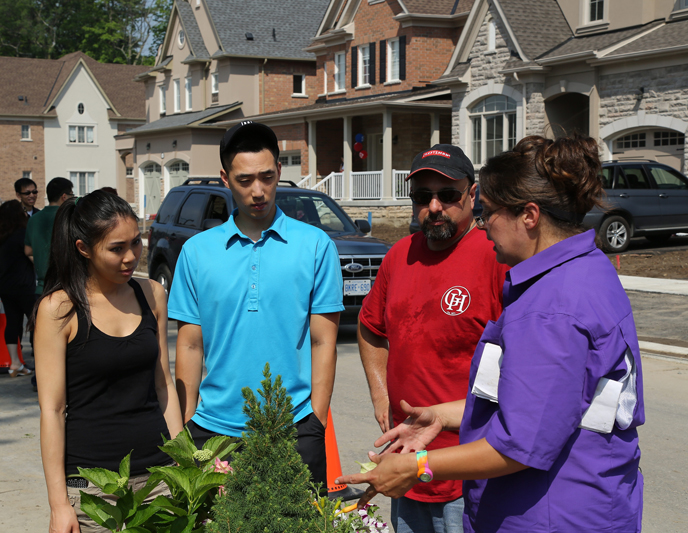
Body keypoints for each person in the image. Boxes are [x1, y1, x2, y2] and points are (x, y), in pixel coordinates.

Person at [337, 135, 645, 533]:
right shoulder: (587, 269)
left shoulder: (549, 308)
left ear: (529, 216)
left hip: (554, 512)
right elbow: (546, 403)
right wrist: (443, 416)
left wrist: (418, 466)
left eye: (490, 213)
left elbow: (520, 444)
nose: (485, 225)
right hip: (587, 500)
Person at [169, 121, 344, 486]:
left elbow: (324, 340)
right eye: (245, 180)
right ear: (224, 178)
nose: (259, 191)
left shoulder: (316, 245)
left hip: (293, 426)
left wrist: (317, 420)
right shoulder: (197, 252)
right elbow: (189, 343)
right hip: (213, 431)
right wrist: (187, 426)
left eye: (267, 176)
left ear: (280, 171)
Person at [358, 145, 508, 533]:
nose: (435, 206)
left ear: (472, 196)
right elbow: (370, 328)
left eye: (448, 195)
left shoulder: (496, 257)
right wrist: (381, 395)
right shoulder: (399, 255)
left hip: (468, 473)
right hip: (405, 463)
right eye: (423, 197)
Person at [32, 190, 182, 533]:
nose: (131, 257)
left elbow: (163, 385)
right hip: (93, 491)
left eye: (137, 243)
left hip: (160, 478)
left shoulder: (151, 295)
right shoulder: (59, 309)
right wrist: (59, 505)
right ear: (84, 248)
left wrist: (184, 464)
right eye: (116, 248)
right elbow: (52, 410)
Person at [0, 200, 36, 377]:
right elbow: (32, 256)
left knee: (12, 323)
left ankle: (14, 363)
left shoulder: (0, 235)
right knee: (36, 324)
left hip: (4, 284)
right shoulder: (23, 234)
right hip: (24, 284)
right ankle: (42, 362)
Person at [25, 177, 73, 296]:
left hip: (42, 289)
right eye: (72, 195)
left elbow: (28, 251)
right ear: (64, 196)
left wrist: (43, 263)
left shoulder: (33, 219)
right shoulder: (70, 217)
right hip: (67, 288)